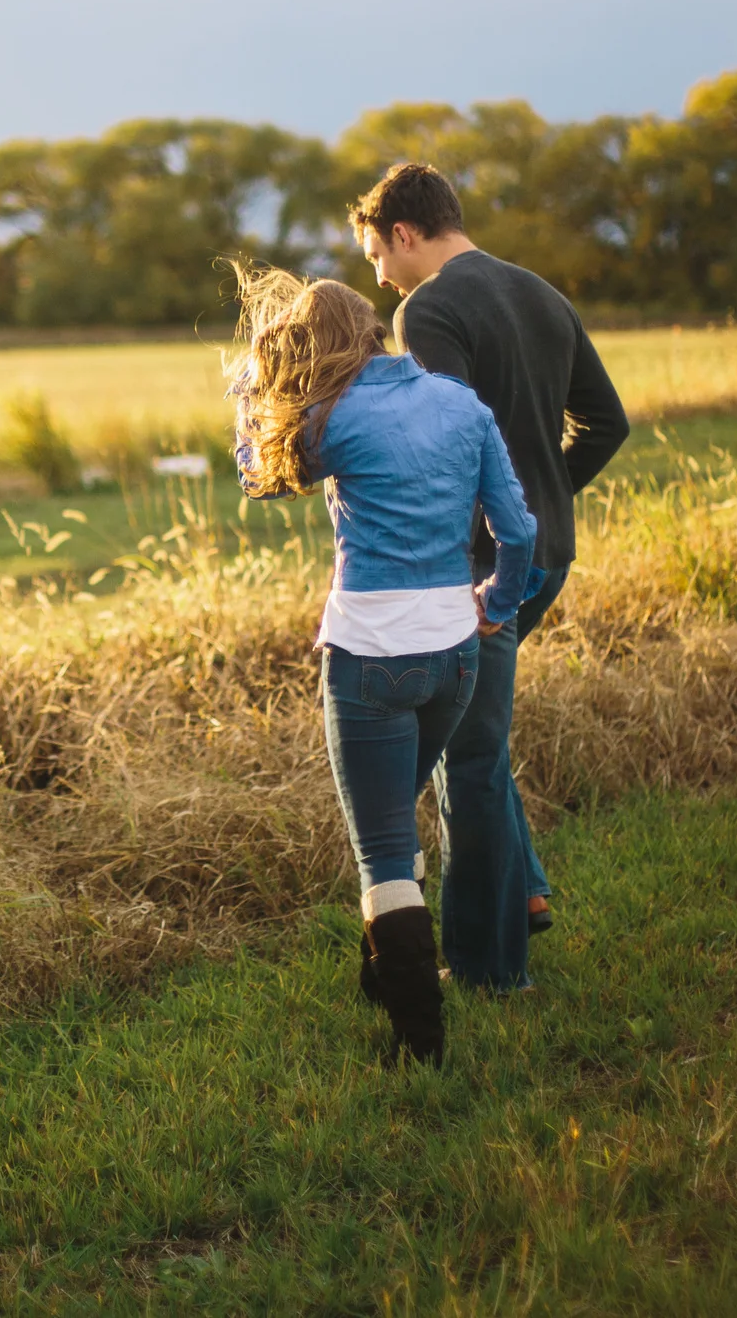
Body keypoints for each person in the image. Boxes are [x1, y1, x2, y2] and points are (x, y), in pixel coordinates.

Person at [229, 265, 540, 1063]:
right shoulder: (461, 405)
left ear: (315, 350)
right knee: (394, 817)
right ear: (373, 330)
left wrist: (246, 388)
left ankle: (420, 1038)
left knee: (383, 850)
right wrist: (498, 602)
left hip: (369, 659)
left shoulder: (329, 418)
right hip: (456, 658)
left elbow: (256, 474)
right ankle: (386, 963)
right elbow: (520, 532)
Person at [348, 162, 630, 995]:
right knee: (472, 730)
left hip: (480, 569)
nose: (378, 275)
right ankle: (527, 890)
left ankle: (488, 965)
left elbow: (448, 437)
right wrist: (541, 501)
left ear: (404, 233)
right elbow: (607, 423)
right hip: (550, 552)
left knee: (466, 756)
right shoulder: (543, 293)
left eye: (375, 256)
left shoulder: (426, 307)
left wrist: (486, 530)